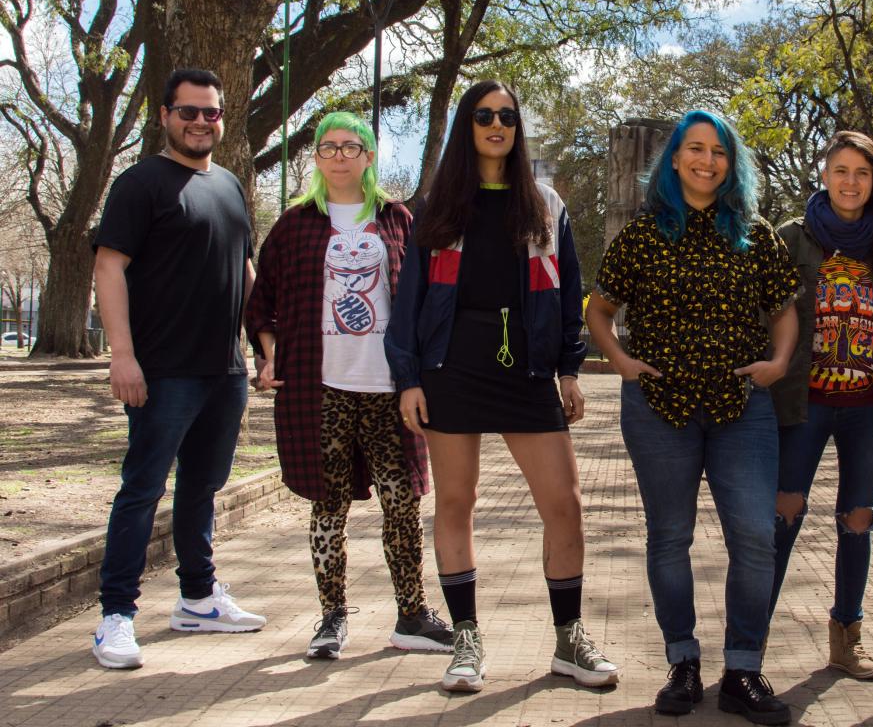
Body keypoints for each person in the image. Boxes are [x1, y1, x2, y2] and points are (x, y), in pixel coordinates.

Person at [384, 80, 617, 693]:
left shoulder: (545, 203)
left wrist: (570, 366)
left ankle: (569, 639)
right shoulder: (436, 207)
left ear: (517, 127)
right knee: (455, 502)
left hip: (529, 368)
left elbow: (571, 293)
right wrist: (408, 378)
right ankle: (466, 639)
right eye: (484, 115)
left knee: (564, 502)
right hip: (451, 365)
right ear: (468, 125)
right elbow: (408, 302)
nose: (496, 124)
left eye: (507, 116)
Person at [587, 110, 801, 726]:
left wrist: (779, 361)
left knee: (756, 537)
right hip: (659, 409)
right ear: (675, 159)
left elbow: (783, 312)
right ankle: (682, 661)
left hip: (743, 409)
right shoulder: (642, 234)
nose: (708, 161)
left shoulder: (754, 234)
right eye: (696, 149)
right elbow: (600, 310)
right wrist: (622, 362)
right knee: (669, 537)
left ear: (732, 165)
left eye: (720, 152)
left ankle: (742, 670)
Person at [245, 111, 451, 660]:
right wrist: (270, 358)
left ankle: (412, 614)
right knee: (328, 506)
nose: (338, 155)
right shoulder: (295, 225)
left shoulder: (397, 219)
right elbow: (261, 302)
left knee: (401, 502)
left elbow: (421, 300)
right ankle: (331, 617)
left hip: (389, 388)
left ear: (368, 155)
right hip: (320, 388)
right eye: (327, 147)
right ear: (315, 158)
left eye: (350, 146)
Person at [90, 68, 267, 670]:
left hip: (225, 372)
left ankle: (197, 597)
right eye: (188, 111)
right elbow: (109, 267)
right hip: (162, 370)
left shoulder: (231, 186)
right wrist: (122, 354)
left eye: (210, 113)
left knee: (203, 487)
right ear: (164, 115)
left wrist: (262, 344)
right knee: (142, 490)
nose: (199, 122)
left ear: (222, 118)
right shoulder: (139, 184)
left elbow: (245, 271)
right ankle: (116, 615)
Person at [767, 131, 873, 681]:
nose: (851, 182)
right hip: (803, 402)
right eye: (841, 170)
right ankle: (750, 639)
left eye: (863, 173)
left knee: (857, 519)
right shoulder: (791, 237)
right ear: (824, 175)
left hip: (869, 407)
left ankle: (846, 637)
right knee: (782, 515)